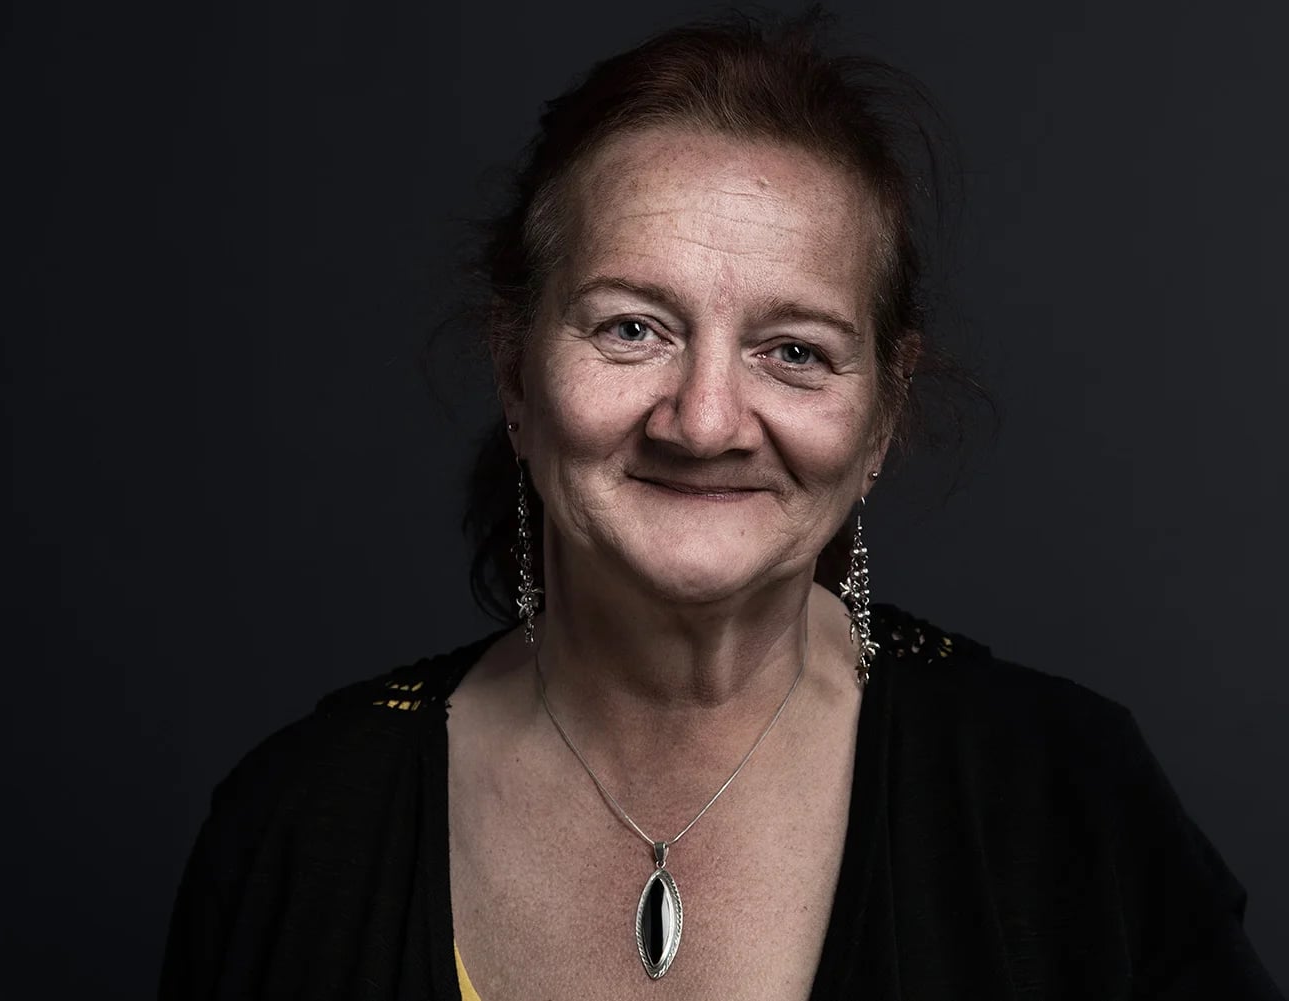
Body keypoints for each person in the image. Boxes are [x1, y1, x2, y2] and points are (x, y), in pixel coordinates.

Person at [159, 12, 1282, 1000]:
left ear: (882, 414)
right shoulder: (301, 821)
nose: (703, 422)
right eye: (631, 327)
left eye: (794, 351)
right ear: (514, 368)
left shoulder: (1063, 791)